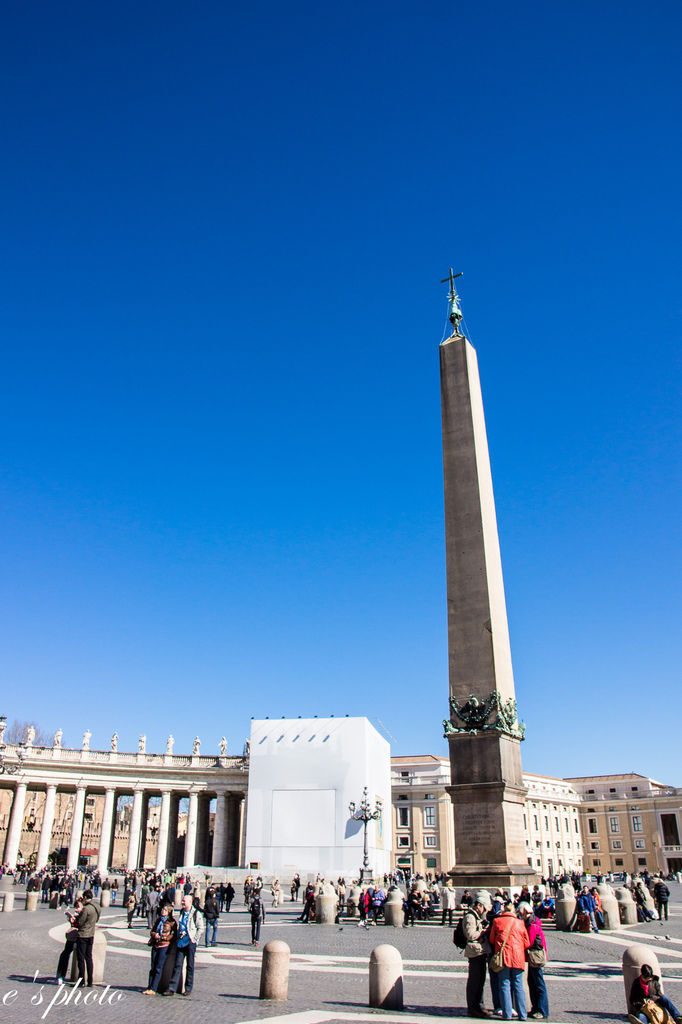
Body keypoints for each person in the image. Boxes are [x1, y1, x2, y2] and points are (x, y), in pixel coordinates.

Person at [489, 901, 530, 1021]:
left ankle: (507, 1014)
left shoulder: (497, 921)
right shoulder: (520, 923)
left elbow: (492, 939)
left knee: (504, 984)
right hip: (518, 957)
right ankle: (523, 1014)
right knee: (518, 985)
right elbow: (527, 942)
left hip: (504, 957)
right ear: (513, 912)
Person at [461, 889, 493, 1019]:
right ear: (479, 905)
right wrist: (483, 932)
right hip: (474, 953)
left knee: (481, 980)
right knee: (474, 981)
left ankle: (480, 1005)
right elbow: (470, 935)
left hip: (481, 952)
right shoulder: (470, 917)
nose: (485, 911)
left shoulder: (478, 916)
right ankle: (473, 1007)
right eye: (484, 908)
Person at [164, 894, 203, 997]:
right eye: (182, 900)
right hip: (181, 942)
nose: (182, 902)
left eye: (184, 901)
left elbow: (201, 928)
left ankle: (188, 988)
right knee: (178, 965)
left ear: (190, 902)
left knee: (190, 966)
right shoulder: (182, 912)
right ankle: (172, 988)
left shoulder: (196, 913)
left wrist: (194, 940)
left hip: (190, 942)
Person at [519, 902, 549, 1020]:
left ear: (526, 912)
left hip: (535, 956)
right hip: (532, 956)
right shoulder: (530, 922)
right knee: (532, 982)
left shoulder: (532, 924)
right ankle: (535, 1008)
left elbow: (529, 941)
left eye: (521, 913)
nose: (520, 915)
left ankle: (542, 1010)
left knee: (538, 983)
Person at [143, 903, 177, 995]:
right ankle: (149, 986)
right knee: (153, 967)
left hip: (164, 945)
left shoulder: (172, 922)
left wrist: (166, 938)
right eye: (162, 909)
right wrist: (155, 935)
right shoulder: (159, 920)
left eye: (165, 910)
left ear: (169, 912)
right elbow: (152, 930)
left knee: (158, 967)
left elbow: (174, 934)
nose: (163, 911)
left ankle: (153, 988)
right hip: (156, 944)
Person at [73, 890, 100, 988]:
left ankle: (82, 980)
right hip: (91, 934)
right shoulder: (97, 907)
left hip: (83, 934)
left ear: (85, 897)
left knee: (81, 959)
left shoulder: (86, 909)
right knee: (89, 958)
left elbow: (80, 922)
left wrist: (75, 918)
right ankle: (90, 981)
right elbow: (96, 919)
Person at [56, 896, 82, 984]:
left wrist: (77, 920)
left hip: (79, 937)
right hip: (72, 936)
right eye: (76, 907)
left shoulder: (84, 913)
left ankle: (80, 978)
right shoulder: (77, 914)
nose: (76, 909)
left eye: (78, 907)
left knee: (79, 957)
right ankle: (61, 974)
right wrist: (71, 920)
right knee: (64, 954)